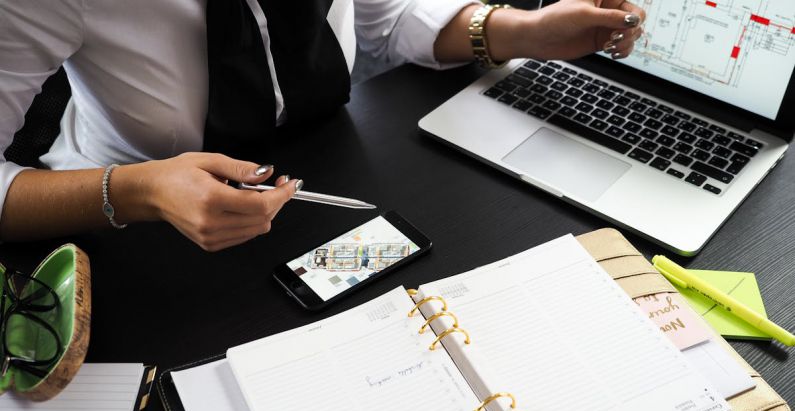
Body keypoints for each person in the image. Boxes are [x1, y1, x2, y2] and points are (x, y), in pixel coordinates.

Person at [0, 0, 644, 251]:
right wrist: (136, 191)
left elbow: (387, 22)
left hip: (326, 171)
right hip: (133, 233)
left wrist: (519, 32)